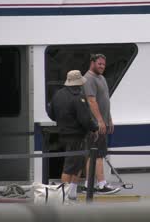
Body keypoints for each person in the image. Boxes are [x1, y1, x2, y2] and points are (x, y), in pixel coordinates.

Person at [47, 70, 98, 200]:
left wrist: (62, 122)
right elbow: (85, 119)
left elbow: (51, 113)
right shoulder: (78, 97)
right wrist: (94, 128)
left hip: (63, 133)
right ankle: (63, 195)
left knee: (78, 163)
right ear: (78, 83)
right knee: (70, 166)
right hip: (77, 135)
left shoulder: (58, 95)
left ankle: (72, 192)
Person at [83, 53, 120, 194]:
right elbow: (92, 101)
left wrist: (109, 119)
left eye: (103, 64)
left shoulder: (101, 78)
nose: (102, 67)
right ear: (92, 63)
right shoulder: (88, 79)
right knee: (98, 155)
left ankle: (88, 184)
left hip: (102, 122)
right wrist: (99, 121)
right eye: (99, 64)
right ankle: (101, 185)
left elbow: (105, 100)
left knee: (93, 155)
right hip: (95, 125)